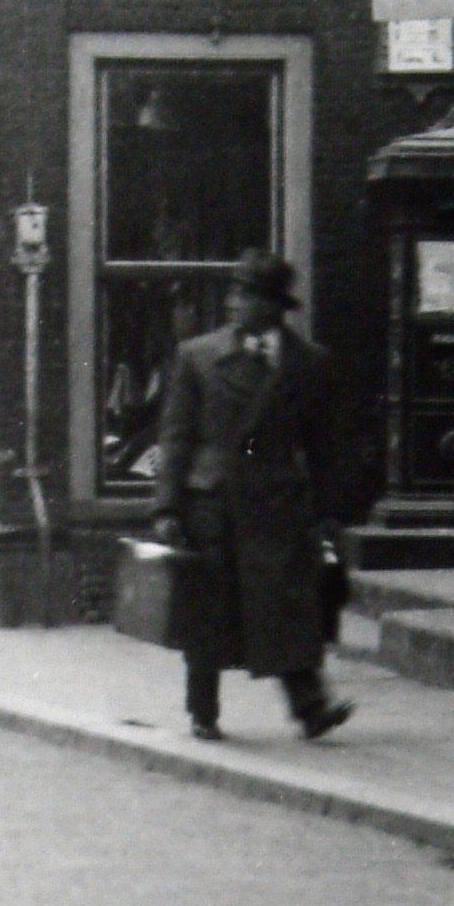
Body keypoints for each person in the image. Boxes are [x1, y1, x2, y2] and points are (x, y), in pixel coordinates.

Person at [148, 250, 357, 742]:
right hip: (212, 502)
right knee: (209, 609)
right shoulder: (198, 356)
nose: (234, 303)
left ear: (274, 306)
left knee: (287, 606)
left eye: (246, 295)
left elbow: (325, 445)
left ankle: (310, 708)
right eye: (234, 293)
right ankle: (203, 711)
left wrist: (329, 511)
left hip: (277, 502)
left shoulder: (309, 363)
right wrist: (167, 506)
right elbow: (176, 437)